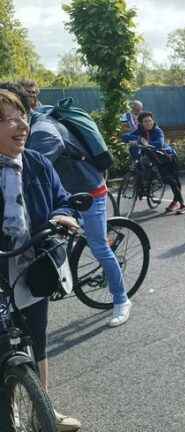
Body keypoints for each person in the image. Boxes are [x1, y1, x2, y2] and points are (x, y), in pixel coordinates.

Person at [1, 82, 134, 328]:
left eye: (17, 112)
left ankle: (121, 299)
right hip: (69, 188)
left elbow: (30, 171)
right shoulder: (37, 121)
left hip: (87, 191)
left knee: (98, 246)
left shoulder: (43, 133)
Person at [0, 89, 82, 431]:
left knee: (37, 338)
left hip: (33, 268)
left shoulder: (37, 163)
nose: (20, 125)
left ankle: (43, 410)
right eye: (7, 119)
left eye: (22, 116)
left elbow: (62, 199)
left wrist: (63, 216)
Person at [122, 111, 185, 214]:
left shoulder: (157, 131)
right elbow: (125, 137)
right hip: (155, 159)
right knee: (163, 178)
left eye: (150, 121)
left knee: (172, 181)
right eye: (145, 121)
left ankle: (182, 205)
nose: (148, 123)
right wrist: (139, 139)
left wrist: (146, 143)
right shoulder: (140, 131)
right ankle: (152, 188)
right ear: (141, 123)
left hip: (167, 157)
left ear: (153, 121)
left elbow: (159, 144)